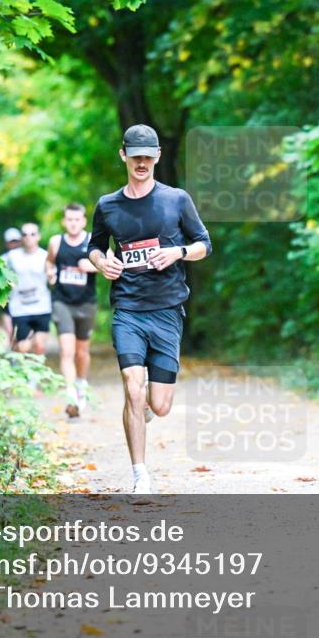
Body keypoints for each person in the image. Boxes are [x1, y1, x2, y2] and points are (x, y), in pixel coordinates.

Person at [87, 124, 212, 494]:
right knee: (132, 385)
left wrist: (179, 251)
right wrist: (100, 262)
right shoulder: (107, 205)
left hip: (167, 310)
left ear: (157, 157)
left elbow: (205, 243)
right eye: (135, 156)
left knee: (159, 405)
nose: (142, 163)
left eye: (148, 156)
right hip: (127, 307)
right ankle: (141, 475)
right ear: (123, 155)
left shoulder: (176, 200)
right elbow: (93, 246)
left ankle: (139, 412)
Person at [46, 203, 98, 418]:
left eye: (77, 219)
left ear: (84, 221)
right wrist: (50, 274)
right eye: (69, 219)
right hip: (62, 302)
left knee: (81, 352)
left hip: (86, 303)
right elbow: (49, 263)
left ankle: (81, 386)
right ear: (64, 221)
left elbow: (112, 264)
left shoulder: (94, 241)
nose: (73, 223)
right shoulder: (56, 242)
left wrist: (93, 266)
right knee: (67, 351)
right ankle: (70, 395)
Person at [3, 222, 54, 356]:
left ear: (38, 236)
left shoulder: (45, 256)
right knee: (23, 347)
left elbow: (54, 276)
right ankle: (26, 374)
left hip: (42, 306)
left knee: (40, 346)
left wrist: (52, 278)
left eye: (32, 234)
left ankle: (36, 374)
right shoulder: (11, 256)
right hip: (20, 308)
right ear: (21, 237)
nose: (28, 237)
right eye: (24, 234)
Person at [1, 227, 22, 343]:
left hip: (23, 299)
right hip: (8, 299)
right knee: (10, 330)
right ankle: (13, 356)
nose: (14, 244)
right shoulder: (2, 260)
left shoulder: (26, 257)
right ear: (7, 243)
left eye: (16, 241)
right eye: (11, 241)